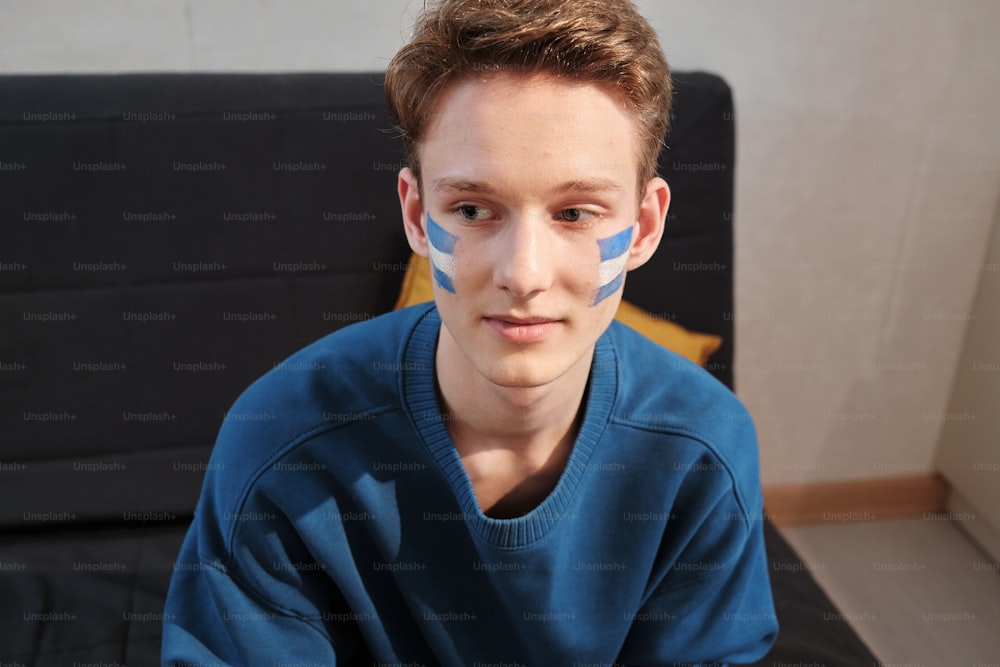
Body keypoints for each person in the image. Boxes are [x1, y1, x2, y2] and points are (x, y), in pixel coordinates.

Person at [161, 0, 778, 664]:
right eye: (474, 208)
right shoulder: (279, 440)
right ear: (419, 216)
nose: (524, 273)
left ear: (647, 226)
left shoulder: (702, 449)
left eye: (575, 211)